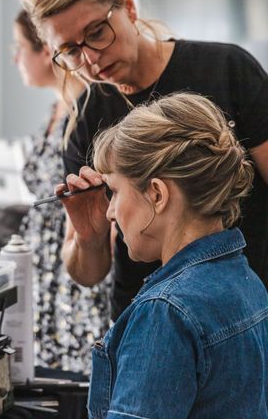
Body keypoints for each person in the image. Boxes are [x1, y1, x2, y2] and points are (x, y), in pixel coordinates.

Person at [18, 0, 268, 320]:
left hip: (245, 308)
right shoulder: (85, 118)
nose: (90, 59)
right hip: (146, 317)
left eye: (97, 32)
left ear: (128, 7)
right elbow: (88, 273)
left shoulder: (227, 70)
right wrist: (90, 235)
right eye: (69, 50)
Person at [81, 92, 268, 418]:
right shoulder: (248, 282)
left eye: (114, 192)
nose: (110, 212)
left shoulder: (166, 313)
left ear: (157, 194)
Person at [12, 9, 110, 374]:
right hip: (44, 265)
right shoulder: (56, 110)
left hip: (75, 263)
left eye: (20, 46)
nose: (15, 57)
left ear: (44, 50)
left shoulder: (88, 114)